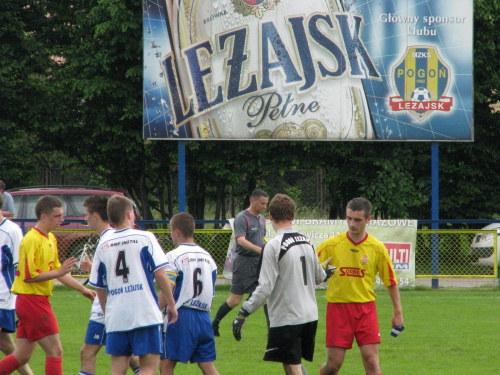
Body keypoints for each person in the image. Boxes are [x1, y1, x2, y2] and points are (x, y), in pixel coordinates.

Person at [231, 194, 333, 375]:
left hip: (288, 316)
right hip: (310, 314)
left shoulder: (273, 245)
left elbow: (265, 287)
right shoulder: (307, 241)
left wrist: (244, 311)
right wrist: (327, 274)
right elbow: (319, 277)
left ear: (270, 216)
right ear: (294, 215)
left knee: (292, 366)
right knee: (291, 362)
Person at [0, 195, 96, 375]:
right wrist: (58, 273)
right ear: (43, 217)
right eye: (57, 216)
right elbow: (29, 276)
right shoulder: (31, 240)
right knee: (55, 350)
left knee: (21, 356)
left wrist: (83, 289)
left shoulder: (50, 238)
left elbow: (59, 271)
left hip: (34, 301)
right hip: (32, 301)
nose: (62, 220)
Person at [88, 194, 178, 375]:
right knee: (148, 367)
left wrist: (108, 313)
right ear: (129, 214)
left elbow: (100, 287)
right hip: (144, 313)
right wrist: (171, 304)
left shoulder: (103, 244)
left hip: (117, 316)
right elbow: (160, 273)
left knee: (118, 368)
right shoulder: (145, 238)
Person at [316, 197, 404, 375]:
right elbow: (309, 270)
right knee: (333, 366)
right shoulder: (331, 245)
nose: (351, 223)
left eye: (357, 220)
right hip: (338, 310)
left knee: (371, 362)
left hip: (365, 310)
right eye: (348, 218)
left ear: (368, 220)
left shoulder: (377, 248)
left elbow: (391, 282)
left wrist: (398, 313)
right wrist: (319, 275)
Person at [78, 195, 140, 375]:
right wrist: (93, 269)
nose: (85, 218)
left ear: (95, 216)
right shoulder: (112, 236)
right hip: (117, 303)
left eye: (87, 214)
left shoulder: (106, 240)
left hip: (108, 307)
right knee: (127, 355)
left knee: (87, 352)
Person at [159, 212, 219, 375]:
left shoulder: (173, 256)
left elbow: (167, 288)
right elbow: (211, 296)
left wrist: (155, 311)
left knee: (166, 362)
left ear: (176, 231)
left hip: (181, 316)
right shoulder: (209, 258)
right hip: (204, 318)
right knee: (208, 366)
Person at [212, 189, 268, 336]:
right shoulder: (242, 218)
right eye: (262, 203)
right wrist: (259, 249)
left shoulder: (262, 219)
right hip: (244, 263)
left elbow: (262, 239)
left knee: (265, 296)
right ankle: (215, 324)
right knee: (235, 300)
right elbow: (241, 241)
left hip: (258, 262)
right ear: (253, 201)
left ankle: (271, 333)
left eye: (266, 204)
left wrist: (268, 248)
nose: (264, 207)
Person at [0, 194, 33, 375]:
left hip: (4, 295)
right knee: (6, 344)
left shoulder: (11, 231)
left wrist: (20, 296)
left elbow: (19, 267)